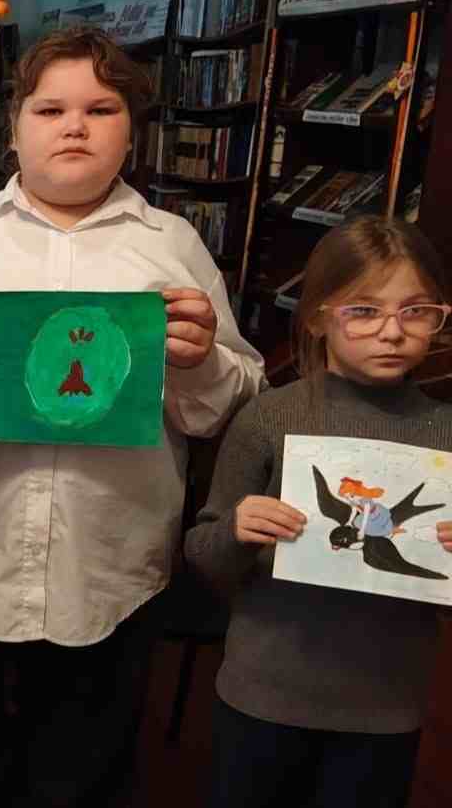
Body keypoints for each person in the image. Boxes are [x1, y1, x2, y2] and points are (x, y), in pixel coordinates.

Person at [0, 26, 265, 805]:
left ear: (132, 132)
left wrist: (200, 362)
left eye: (100, 109)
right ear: (15, 128)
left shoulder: (173, 246)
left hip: (112, 570)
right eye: (50, 109)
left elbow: (235, 399)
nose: (74, 126)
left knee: (87, 771)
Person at [185, 215, 452, 808]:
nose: (392, 332)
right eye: (364, 311)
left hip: (386, 707)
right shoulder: (270, 416)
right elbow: (204, 557)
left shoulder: (444, 432)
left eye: (417, 311)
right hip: (263, 693)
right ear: (317, 317)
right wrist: (235, 531)